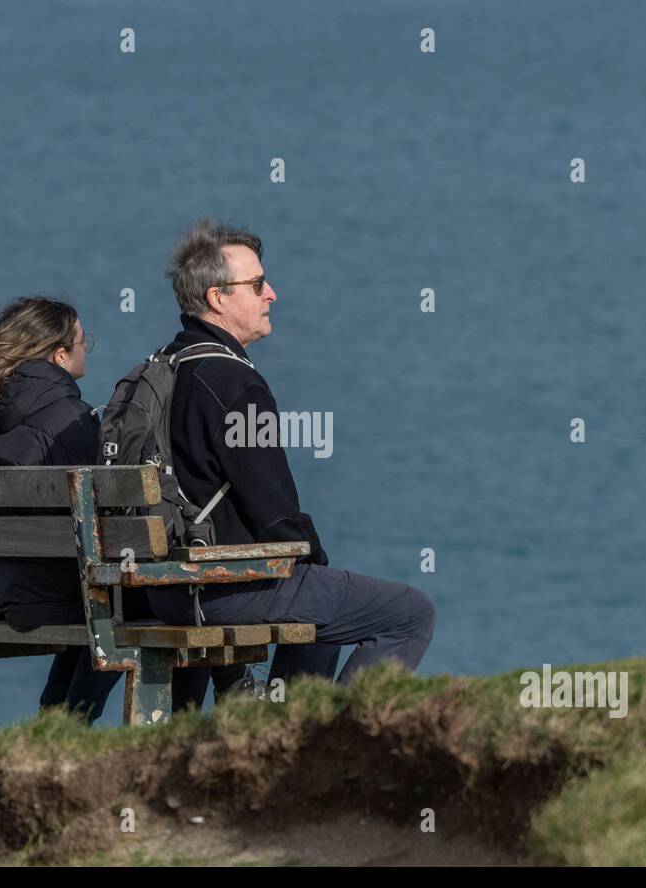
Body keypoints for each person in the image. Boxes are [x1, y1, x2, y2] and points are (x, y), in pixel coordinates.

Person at [144, 220, 434, 693]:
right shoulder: (235, 384)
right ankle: (321, 742)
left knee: (323, 598)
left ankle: (284, 727)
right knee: (410, 613)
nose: (271, 294)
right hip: (223, 588)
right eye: (257, 284)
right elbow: (275, 513)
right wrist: (312, 556)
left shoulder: (160, 370)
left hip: (163, 591)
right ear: (218, 298)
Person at [0, 296, 120, 720]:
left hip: (10, 592)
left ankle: (54, 720)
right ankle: (70, 726)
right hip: (64, 595)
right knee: (134, 604)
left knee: (100, 601)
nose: (87, 349)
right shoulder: (72, 420)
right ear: (59, 354)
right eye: (84, 341)